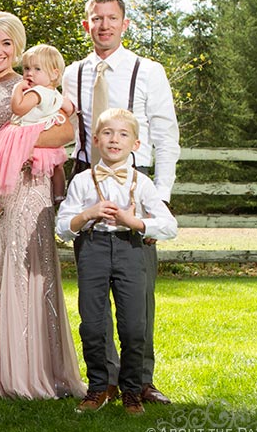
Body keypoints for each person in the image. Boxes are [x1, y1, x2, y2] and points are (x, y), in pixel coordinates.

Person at [62, 0, 180, 405]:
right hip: (86, 182)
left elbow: (166, 137)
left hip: (136, 182)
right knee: (93, 295)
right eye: (97, 18)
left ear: (124, 24)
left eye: (112, 18)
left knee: (137, 294)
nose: (105, 25)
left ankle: (139, 381)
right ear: (87, 24)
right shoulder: (72, 72)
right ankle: (104, 382)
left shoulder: (148, 70)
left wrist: (158, 200)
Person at [0, 11, 85, 399]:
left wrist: (19, 145)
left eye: (6, 43)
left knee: (26, 267)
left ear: (18, 47)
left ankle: (32, 366)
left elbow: (67, 131)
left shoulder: (30, 84)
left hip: (27, 184)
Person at [56, 108, 178, 415]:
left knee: (134, 326)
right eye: (108, 133)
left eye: (123, 134)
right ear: (96, 140)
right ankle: (98, 388)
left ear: (135, 144)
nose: (115, 140)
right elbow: (62, 227)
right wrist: (88, 214)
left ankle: (132, 391)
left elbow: (170, 226)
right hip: (93, 248)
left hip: (131, 249)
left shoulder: (143, 183)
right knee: (93, 324)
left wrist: (134, 221)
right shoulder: (83, 181)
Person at [0, 44, 73, 228]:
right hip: (41, 130)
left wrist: (17, 91)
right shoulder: (55, 94)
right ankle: (59, 195)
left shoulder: (36, 92)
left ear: (54, 74)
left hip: (20, 132)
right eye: (27, 68)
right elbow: (70, 108)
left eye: (37, 69)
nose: (29, 74)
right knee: (57, 166)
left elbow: (18, 108)